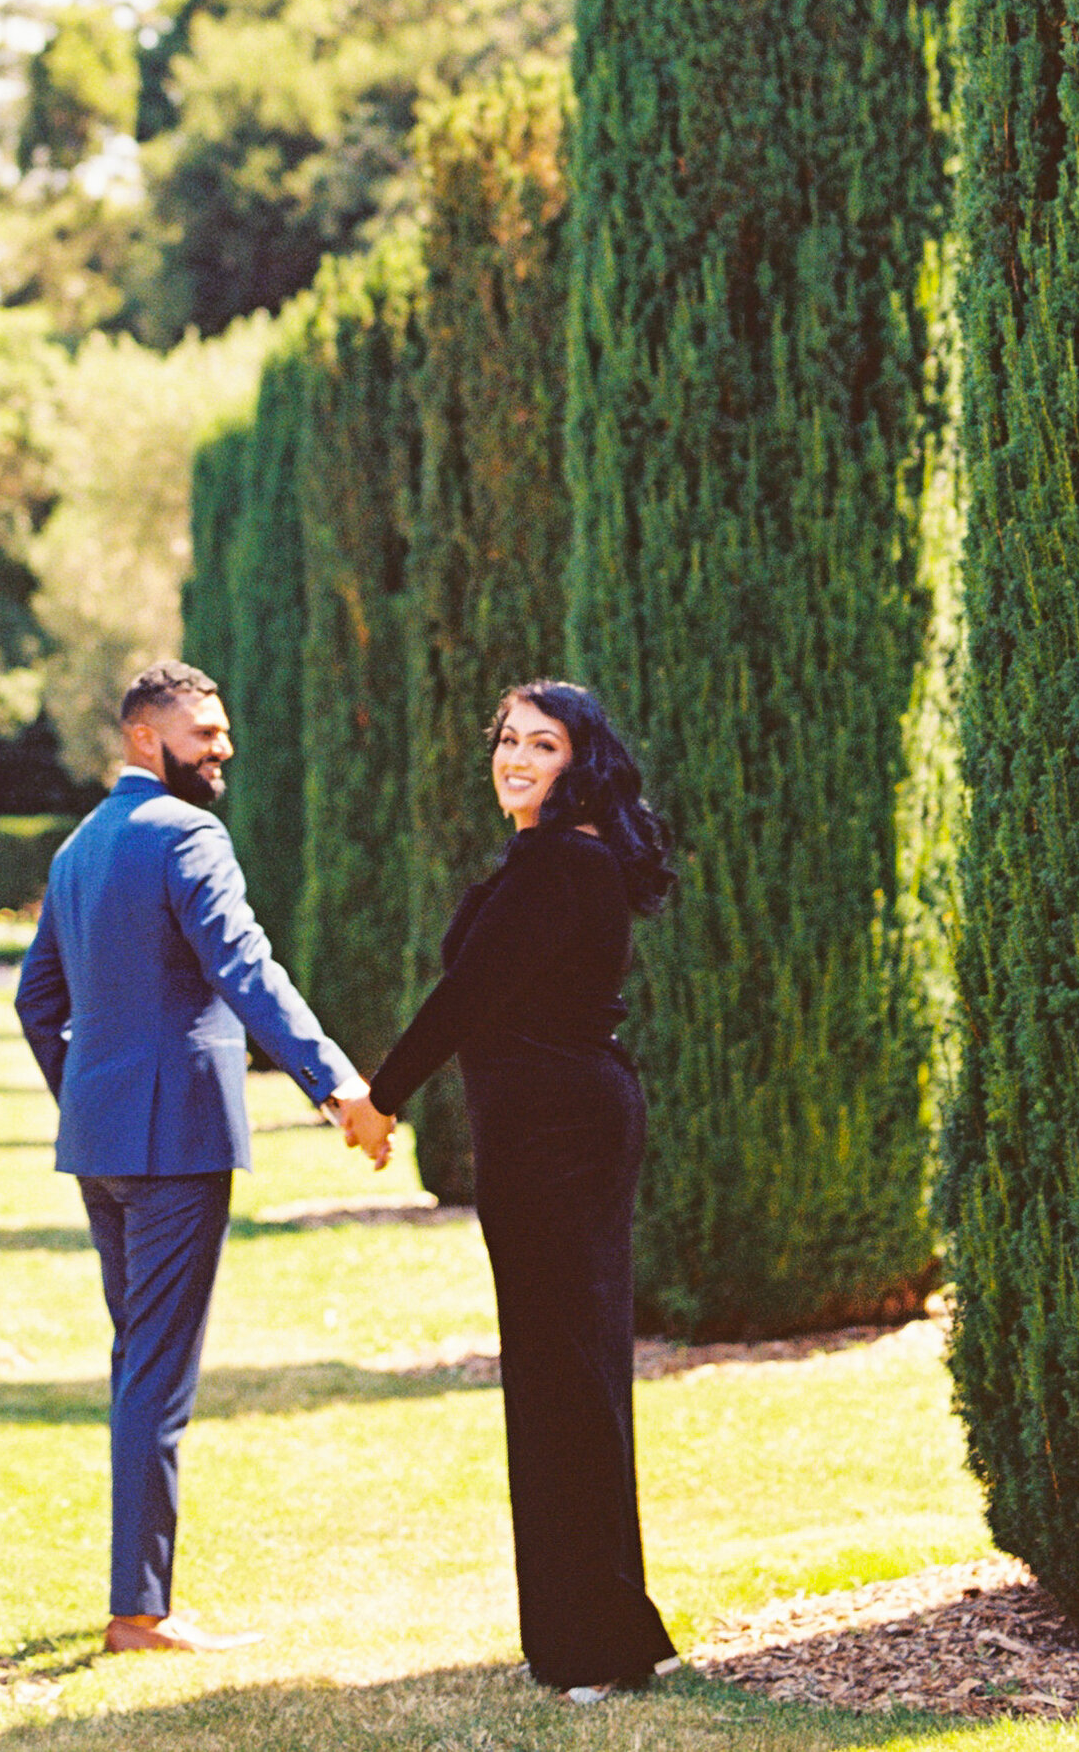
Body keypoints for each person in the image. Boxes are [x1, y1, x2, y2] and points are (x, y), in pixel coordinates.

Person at [15, 658, 394, 1655]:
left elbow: (36, 1005)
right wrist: (339, 1084)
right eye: (203, 733)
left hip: (104, 1142)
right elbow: (245, 967)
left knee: (138, 1363)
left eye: (223, 733)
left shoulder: (78, 848)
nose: (221, 751)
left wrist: (90, 1101)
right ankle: (139, 1613)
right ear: (147, 738)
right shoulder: (187, 834)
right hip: (175, 1141)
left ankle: (138, 1598)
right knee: (157, 1373)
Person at [364, 679, 679, 1700]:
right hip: (553, 1131)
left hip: (559, 1141)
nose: (514, 758)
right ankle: (586, 1635)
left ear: (576, 763)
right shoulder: (548, 857)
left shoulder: (557, 862)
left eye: (539, 745)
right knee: (560, 1374)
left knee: (564, 1379)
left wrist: (380, 1099)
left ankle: (595, 1645)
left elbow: (466, 997)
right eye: (506, 739)